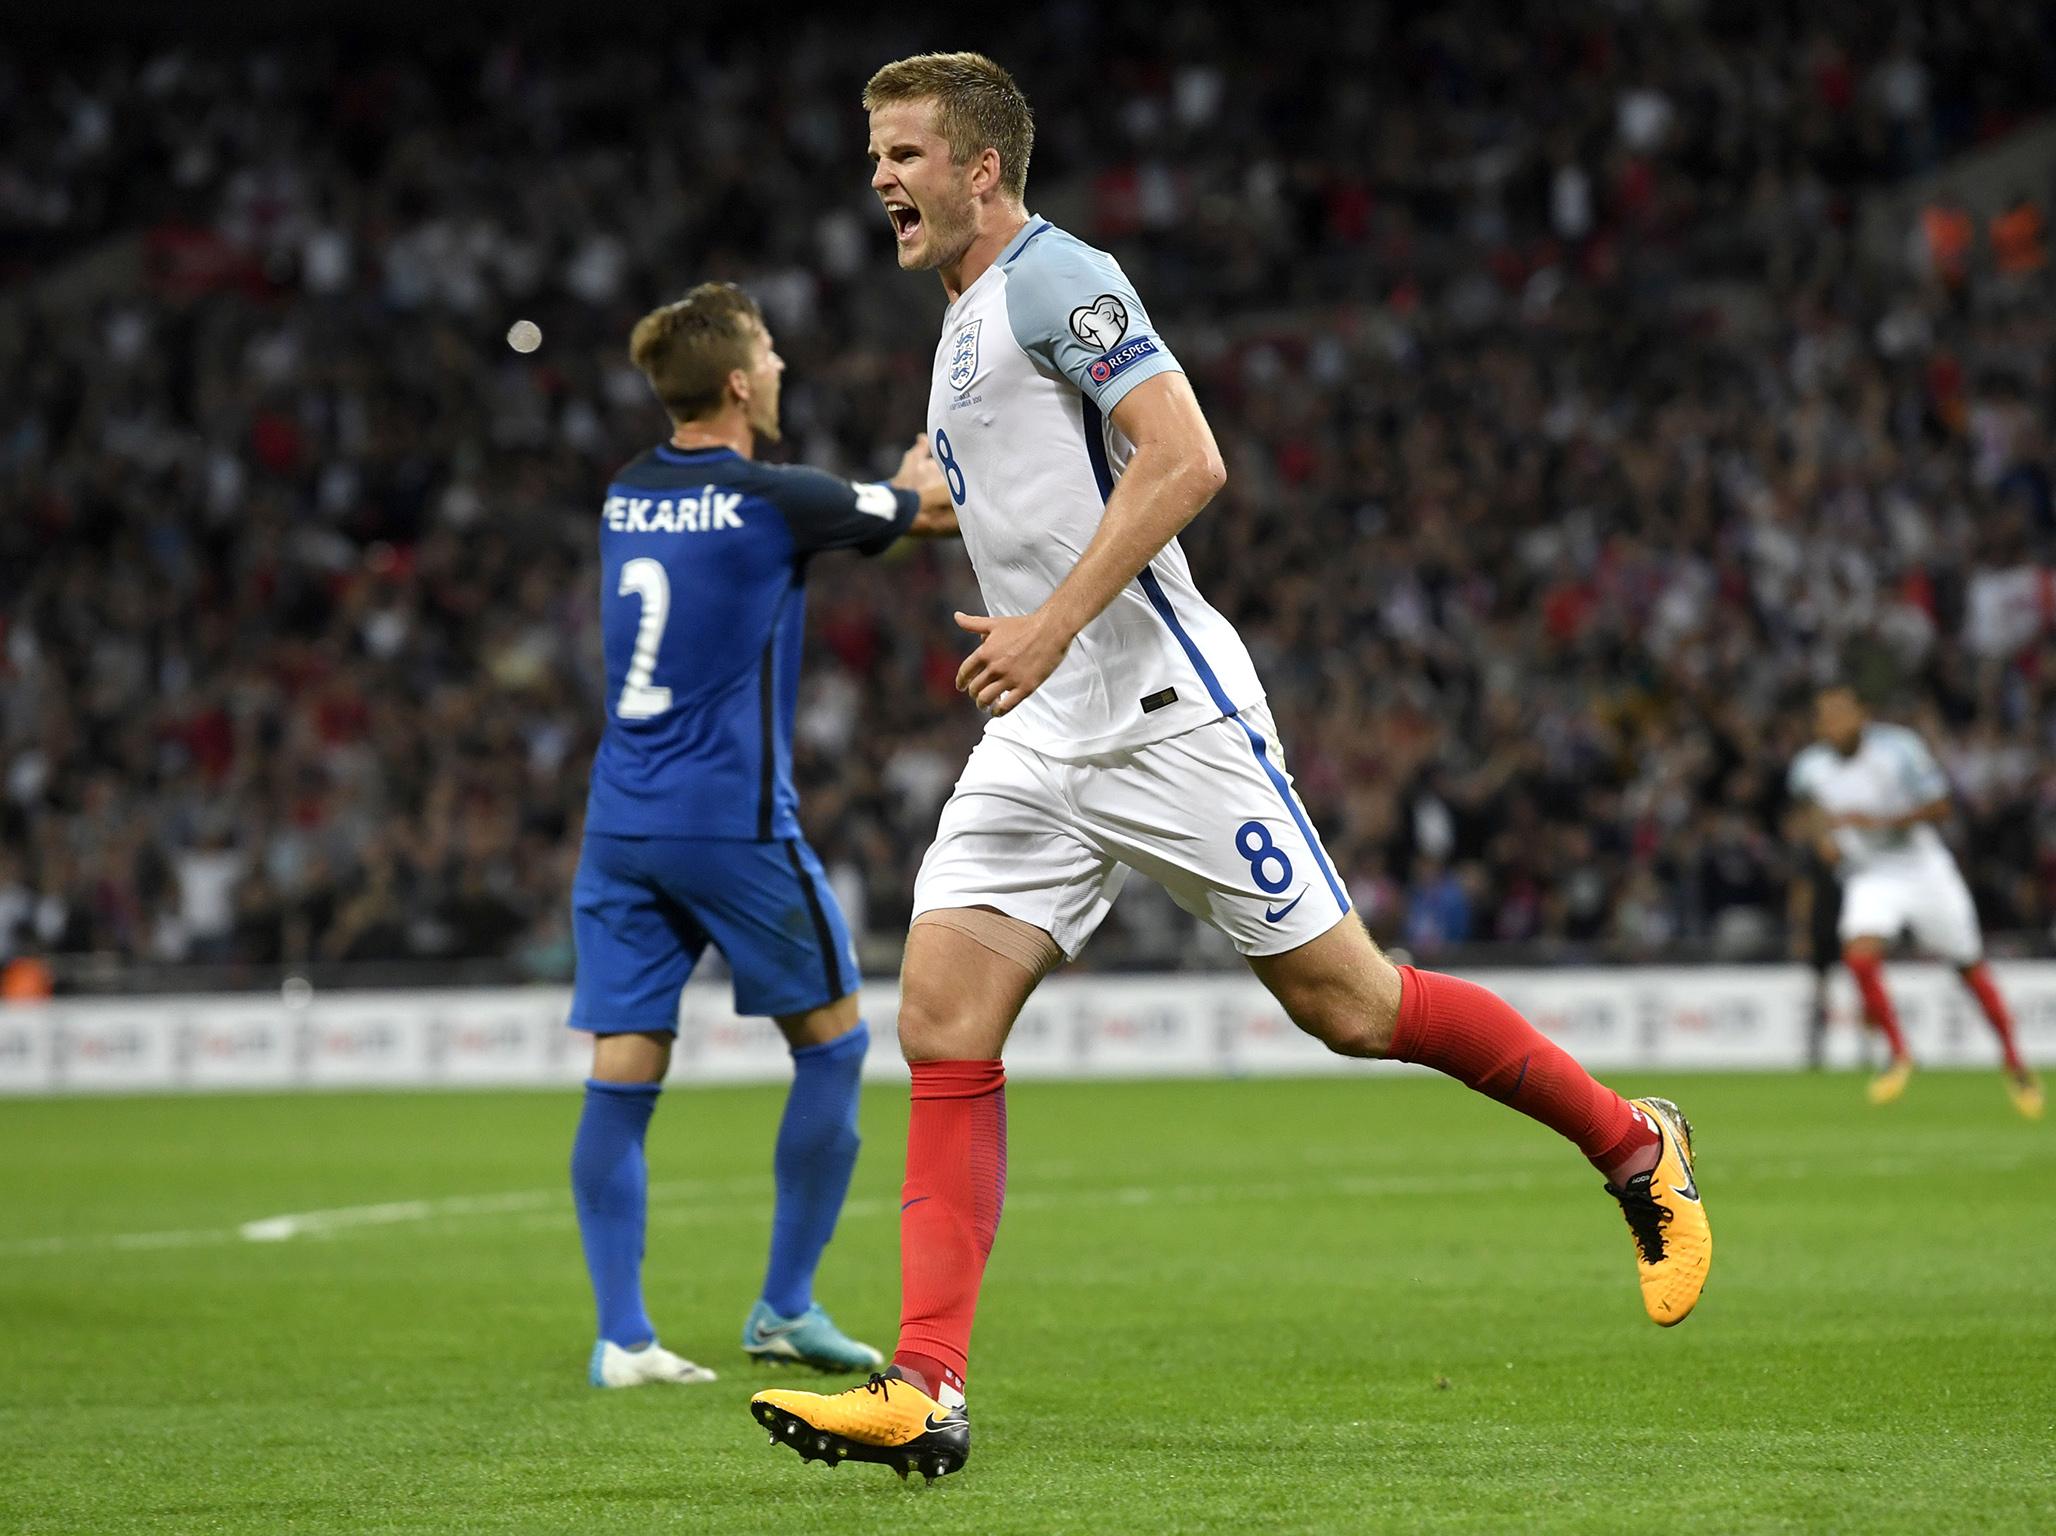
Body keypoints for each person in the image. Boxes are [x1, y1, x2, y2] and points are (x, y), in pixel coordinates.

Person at [748, 53, 1710, 1479]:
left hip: (1157, 711)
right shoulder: (959, 324)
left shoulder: (1057, 277)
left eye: (902, 155)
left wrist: (1047, 623)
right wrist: (834, 514)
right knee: (944, 1020)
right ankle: (927, 1390)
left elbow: (1186, 458)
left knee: (1354, 1005)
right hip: (1042, 735)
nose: (878, 178)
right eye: (873, 153)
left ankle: (1633, 1144)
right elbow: (969, 491)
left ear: (982, 170)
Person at [568, 282, 956, 1388]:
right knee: (832, 1044)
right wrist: (944, 466)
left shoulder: (625, 495)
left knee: (623, 1072)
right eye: (771, 353)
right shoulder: (768, 496)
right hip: (729, 826)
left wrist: (894, 488)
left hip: (620, 827)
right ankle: (784, 1306)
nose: (782, 366)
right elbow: (920, 516)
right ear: (738, 381)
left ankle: (624, 1338)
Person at [1787, 686, 2042, 1117]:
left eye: (1841, 715)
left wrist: (1880, 822)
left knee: (1968, 963)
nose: (1834, 725)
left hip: (1923, 869)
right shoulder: (1810, 766)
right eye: (1825, 718)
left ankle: (2015, 1061)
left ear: (1861, 715)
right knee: (1859, 956)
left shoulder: (1898, 749)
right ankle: (1900, 1052)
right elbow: (1808, 810)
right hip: (1871, 875)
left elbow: (1942, 807)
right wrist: (1821, 839)